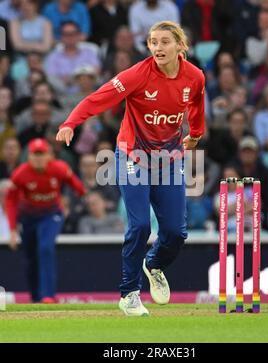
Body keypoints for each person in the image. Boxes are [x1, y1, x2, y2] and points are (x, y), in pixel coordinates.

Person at [56, 21, 205, 316]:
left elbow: (197, 105)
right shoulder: (138, 74)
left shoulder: (194, 76)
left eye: (164, 42)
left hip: (169, 159)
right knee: (139, 226)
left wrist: (196, 133)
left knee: (176, 232)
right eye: (153, 42)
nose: (158, 48)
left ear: (179, 45)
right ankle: (129, 292)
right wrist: (70, 122)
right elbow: (98, 98)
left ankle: (155, 265)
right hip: (132, 156)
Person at [4, 138, 85, 303]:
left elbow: (78, 187)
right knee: (30, 257)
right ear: (29, 156)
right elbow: (10, 201)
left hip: (51, 215)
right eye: (35, 155)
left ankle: (48, 295)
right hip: (28, 218)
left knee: (45, 247)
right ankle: (35, 297)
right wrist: (12, 230)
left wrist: (73, 202)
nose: (39, 158)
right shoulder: (20, 173)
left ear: (49, 155)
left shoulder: (59, 168)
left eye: (42, 154)